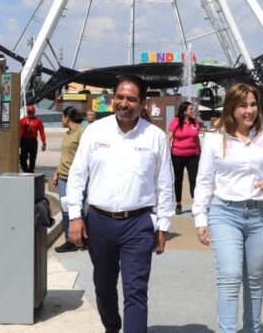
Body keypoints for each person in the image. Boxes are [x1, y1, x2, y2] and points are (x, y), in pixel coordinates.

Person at [64, 75, 175, 333]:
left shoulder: (155, 137)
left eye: (132, 99)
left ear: (143, 103)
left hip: (138, 224)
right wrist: (75, 217)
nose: (124, 103)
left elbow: (165, 184)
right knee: (103, 285)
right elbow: (77, 176)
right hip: (99, 222)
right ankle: (112, 327)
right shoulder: (95, 132)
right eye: (120, 97)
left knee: (136, 290)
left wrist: (163, 225)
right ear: (113, 98)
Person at [193, 83, 263, 333]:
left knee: (255, 281)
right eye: (243, 105)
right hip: (225, 213)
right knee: (230, 276)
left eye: (253, 104)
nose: (249, 110)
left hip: (261, 214)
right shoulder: (214, 139)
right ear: (231, 108)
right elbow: (203, 180)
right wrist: (200, 219)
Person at [53, 105, 87, 253]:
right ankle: (70, 241)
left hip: (77, 178)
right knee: (65, 208)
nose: (62, 119)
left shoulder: (82, 132)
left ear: (68, 117)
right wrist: (57, 173)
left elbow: (86, 155)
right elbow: (64, 158)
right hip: (63, 177)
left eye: (62, 116)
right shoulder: (67, 134)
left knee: (78, 208)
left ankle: (84, 238)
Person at [167, 101, 202, 213]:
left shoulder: (195, 122)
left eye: (193, 109)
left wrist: (200, 152)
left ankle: (195, 204)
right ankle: (178, 203)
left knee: (194, 180)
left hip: (193, 155)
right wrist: (165, 154)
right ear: (184, 111)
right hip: (177, 155)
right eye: (191, 109)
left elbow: (196, 138)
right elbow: (168, 138)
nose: (193, 111)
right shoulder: (175, 122)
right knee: (178, 180)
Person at [19, 104, 46, 173]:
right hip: (24, 141)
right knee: (22, 159)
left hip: (33, 141)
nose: (30, 113)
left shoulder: (38, 121)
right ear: (27, 112)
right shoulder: (22, 121)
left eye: (32, 112)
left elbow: (42, 132)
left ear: (34, 112)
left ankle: (30, 171)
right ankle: (26, 171)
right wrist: (18, 142)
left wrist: (44, 143)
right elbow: (18, 132)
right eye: (29, 112)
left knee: (32, 158)